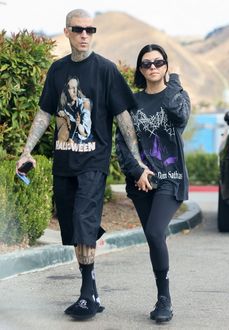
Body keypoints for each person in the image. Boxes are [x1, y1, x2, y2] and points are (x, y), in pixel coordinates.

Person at [16, 9, 147, 321]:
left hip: (93, 162)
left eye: (90, 29)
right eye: (78, 29)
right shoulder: (57, 70)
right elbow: (45, 113)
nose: (85, 34)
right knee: (76, 228)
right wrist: (26, 151)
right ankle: (92, 289)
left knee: (83, 222)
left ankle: (87, 295)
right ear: (67, 32)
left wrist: (138, 159)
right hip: (64, 162)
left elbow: (123, 118)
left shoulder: (105, 70)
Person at [115, 44, 191, 324]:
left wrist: (175, 82)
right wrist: (137, 171)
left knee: (157, 232)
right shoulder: (131, 102)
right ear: (140, 69)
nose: (153, 68)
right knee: (152, 238)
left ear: (166, 66)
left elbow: (178, 115)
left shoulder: (179, 96)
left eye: (158, 62)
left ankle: (164, 299)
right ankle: (161, 293)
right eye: (146, 64)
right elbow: (121, 143)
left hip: (170, 178)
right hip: (141, 181)